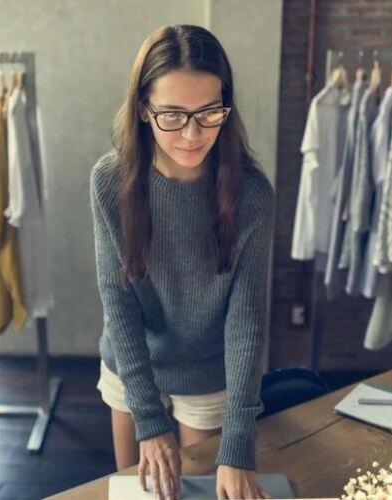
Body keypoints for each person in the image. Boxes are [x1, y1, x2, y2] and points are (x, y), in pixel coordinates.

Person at [89, 24, 274, 500]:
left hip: (208, 370)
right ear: (143, 110)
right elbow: (118, 302)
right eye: (172, 114)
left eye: (209, 112)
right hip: (133, 363)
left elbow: (247, 320)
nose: (193, 134)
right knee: (137, 490)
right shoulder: (110, 182)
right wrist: (149, 418)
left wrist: (238, 442)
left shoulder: (252, 195)